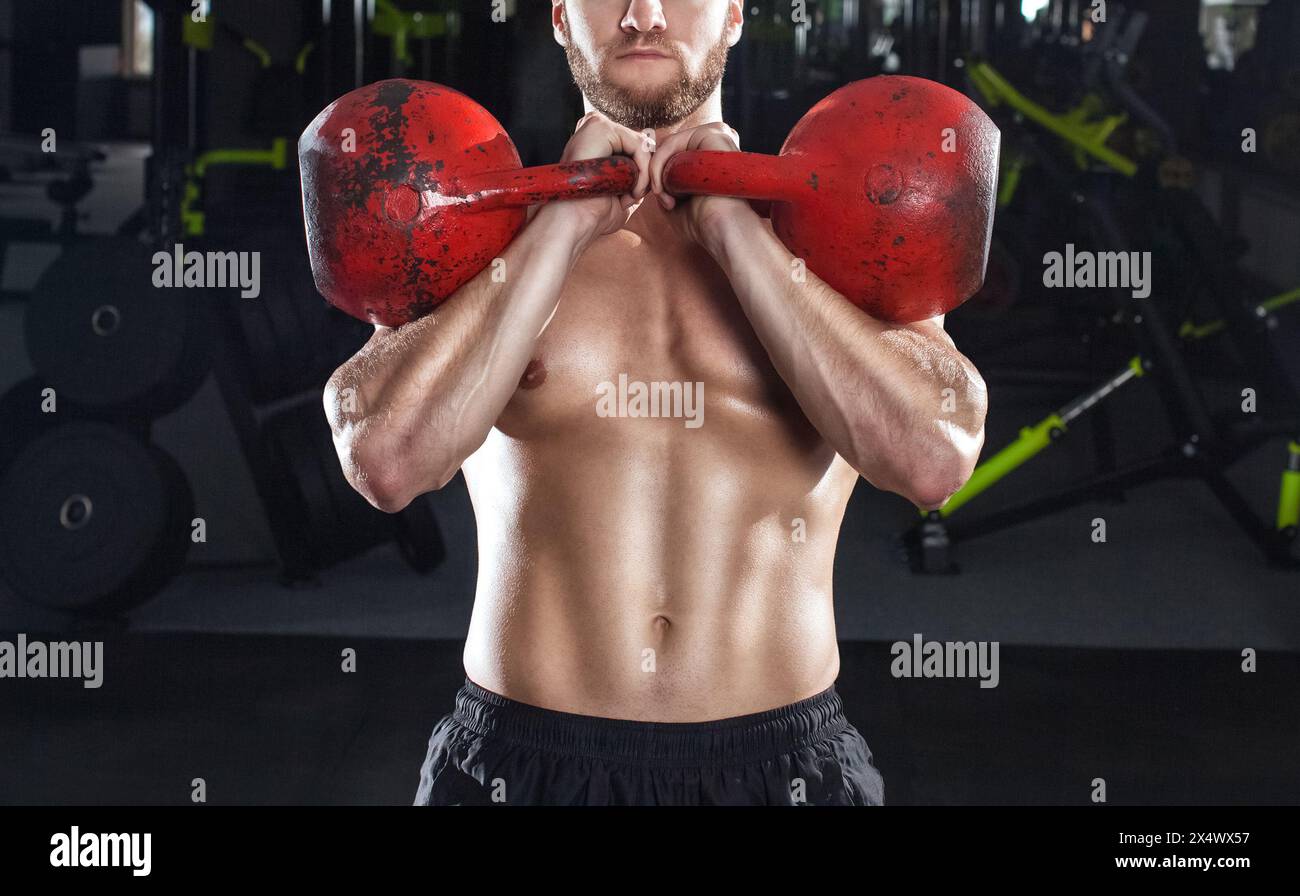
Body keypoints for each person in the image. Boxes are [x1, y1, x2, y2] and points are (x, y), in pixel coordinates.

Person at [324, 0, 987, 806]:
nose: (643, 14)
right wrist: (558, 232)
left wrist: (736, 234)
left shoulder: (842, 231)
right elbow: (386, 463)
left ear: (736, 14)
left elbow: (931, 460)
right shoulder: (484, 232)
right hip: (522, 762)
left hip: (780, 768)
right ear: (562, 18)